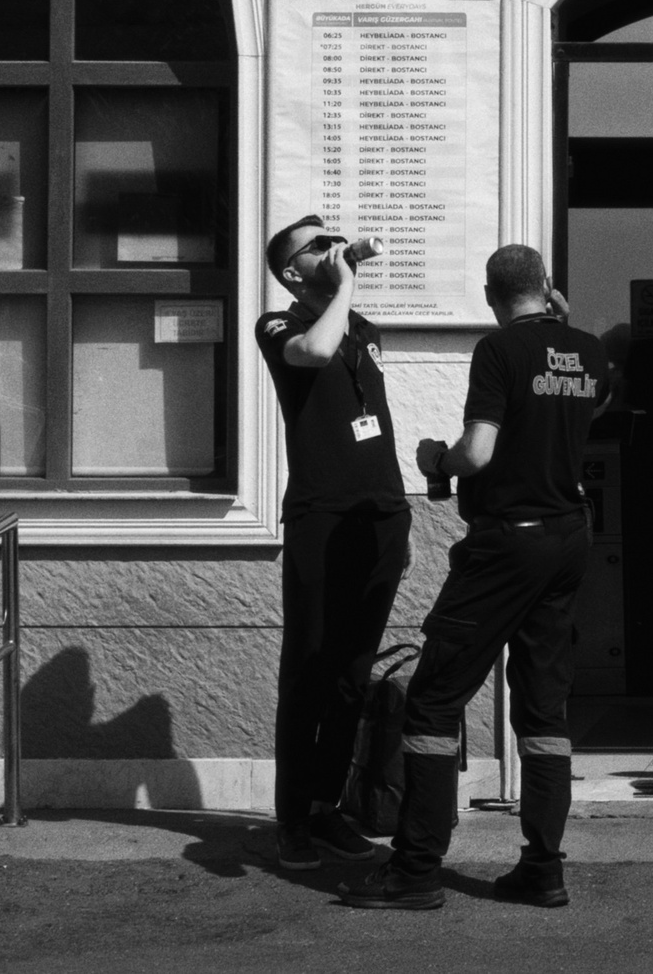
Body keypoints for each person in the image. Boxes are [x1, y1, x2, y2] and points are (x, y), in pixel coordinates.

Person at [341, 244, 614, 908]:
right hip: (568, 537)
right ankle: (543, 869)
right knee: (544, 710)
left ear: (493, 295)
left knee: (434, 701)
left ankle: (414, 871)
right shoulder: (591, 351)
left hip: (508, 543)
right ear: (547, 289)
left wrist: (440, 455)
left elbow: (481, 449)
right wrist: (566, 330)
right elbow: (588, 411)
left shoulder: (499, 352)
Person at [255, 215, 410, 873]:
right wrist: (343, 284)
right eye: (317, 245)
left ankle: (326, 806)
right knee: (310, 668)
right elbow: (314, 354)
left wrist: (400, 518)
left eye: (334, 238)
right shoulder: (280, 325)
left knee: (352, 674)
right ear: (293, 271)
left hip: (380, 517)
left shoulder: (362, 332)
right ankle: (292, 819)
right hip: (322, 518)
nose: (333, 247)